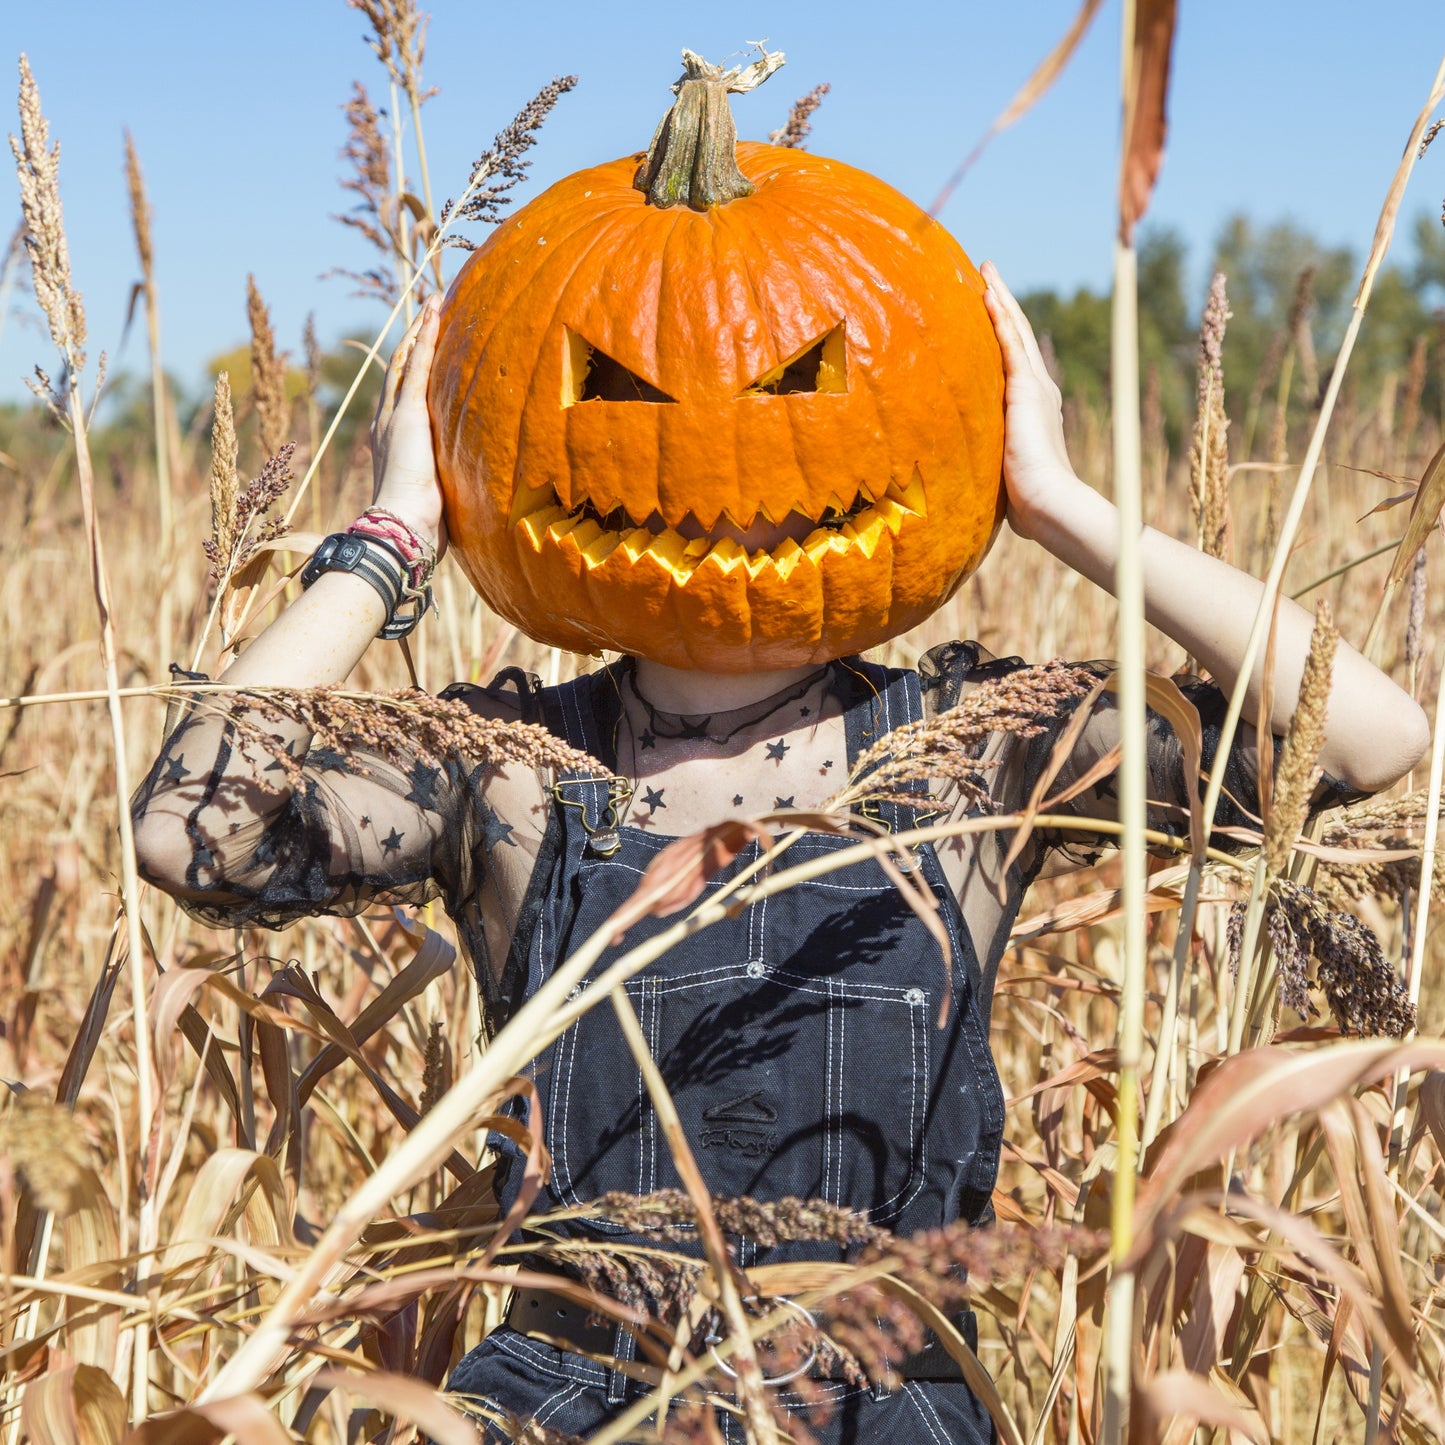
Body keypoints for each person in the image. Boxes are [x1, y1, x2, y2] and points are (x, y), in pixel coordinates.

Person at [131, 270, 1429, 1444]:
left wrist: (1064, 507)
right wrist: (393, 531)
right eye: (624, 392)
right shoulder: (510, 764)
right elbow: (193, 826)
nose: (723, 446)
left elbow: (1367, 734)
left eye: (804, 383)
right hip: (566, 1398)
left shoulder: (972, 746)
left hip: (882, 1397)